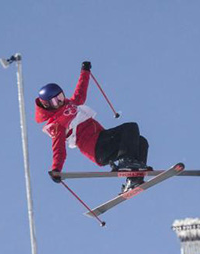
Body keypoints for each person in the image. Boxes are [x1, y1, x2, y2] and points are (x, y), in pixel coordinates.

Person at [37, 61, 151, 193]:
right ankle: (126, 162)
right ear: (47, 105)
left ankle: (134, 179)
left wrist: (85, 72)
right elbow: (58, 149)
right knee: (130, 127)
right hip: (96, 147)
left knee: (141, 141)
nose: (60, 102)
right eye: (54, 101)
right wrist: (56, 169)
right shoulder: (56, 124)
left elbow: (80, 92)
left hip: (103, 142)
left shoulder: (71, 104)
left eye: (60, 96)